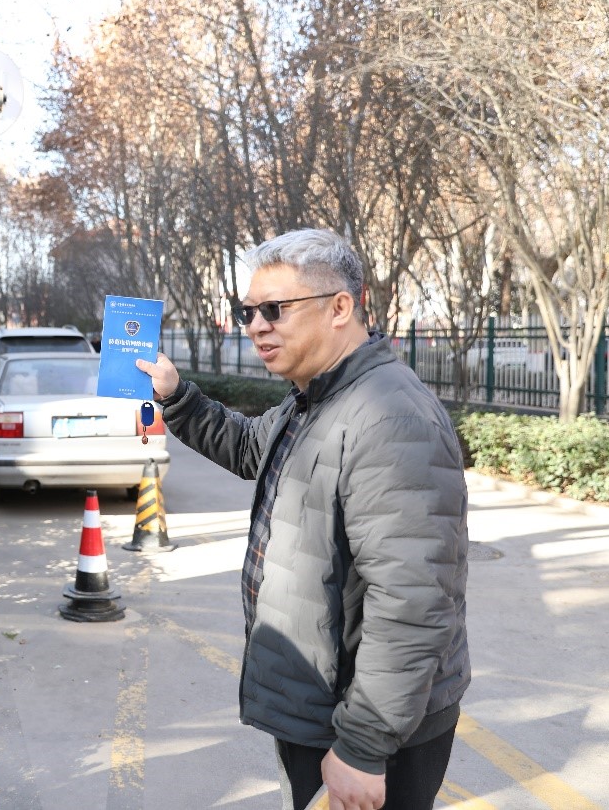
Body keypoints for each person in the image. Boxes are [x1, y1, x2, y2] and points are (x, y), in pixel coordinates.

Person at [136, 229, 469, 810]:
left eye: (274, 309)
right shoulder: (315, 398)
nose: (256, 326)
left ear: (340, 307)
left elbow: (413, 601)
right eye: (248, 312)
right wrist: (177, 395)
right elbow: (248, 446)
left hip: (369, 727)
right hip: (321, 706)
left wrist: (363, 746)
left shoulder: (389, 416)